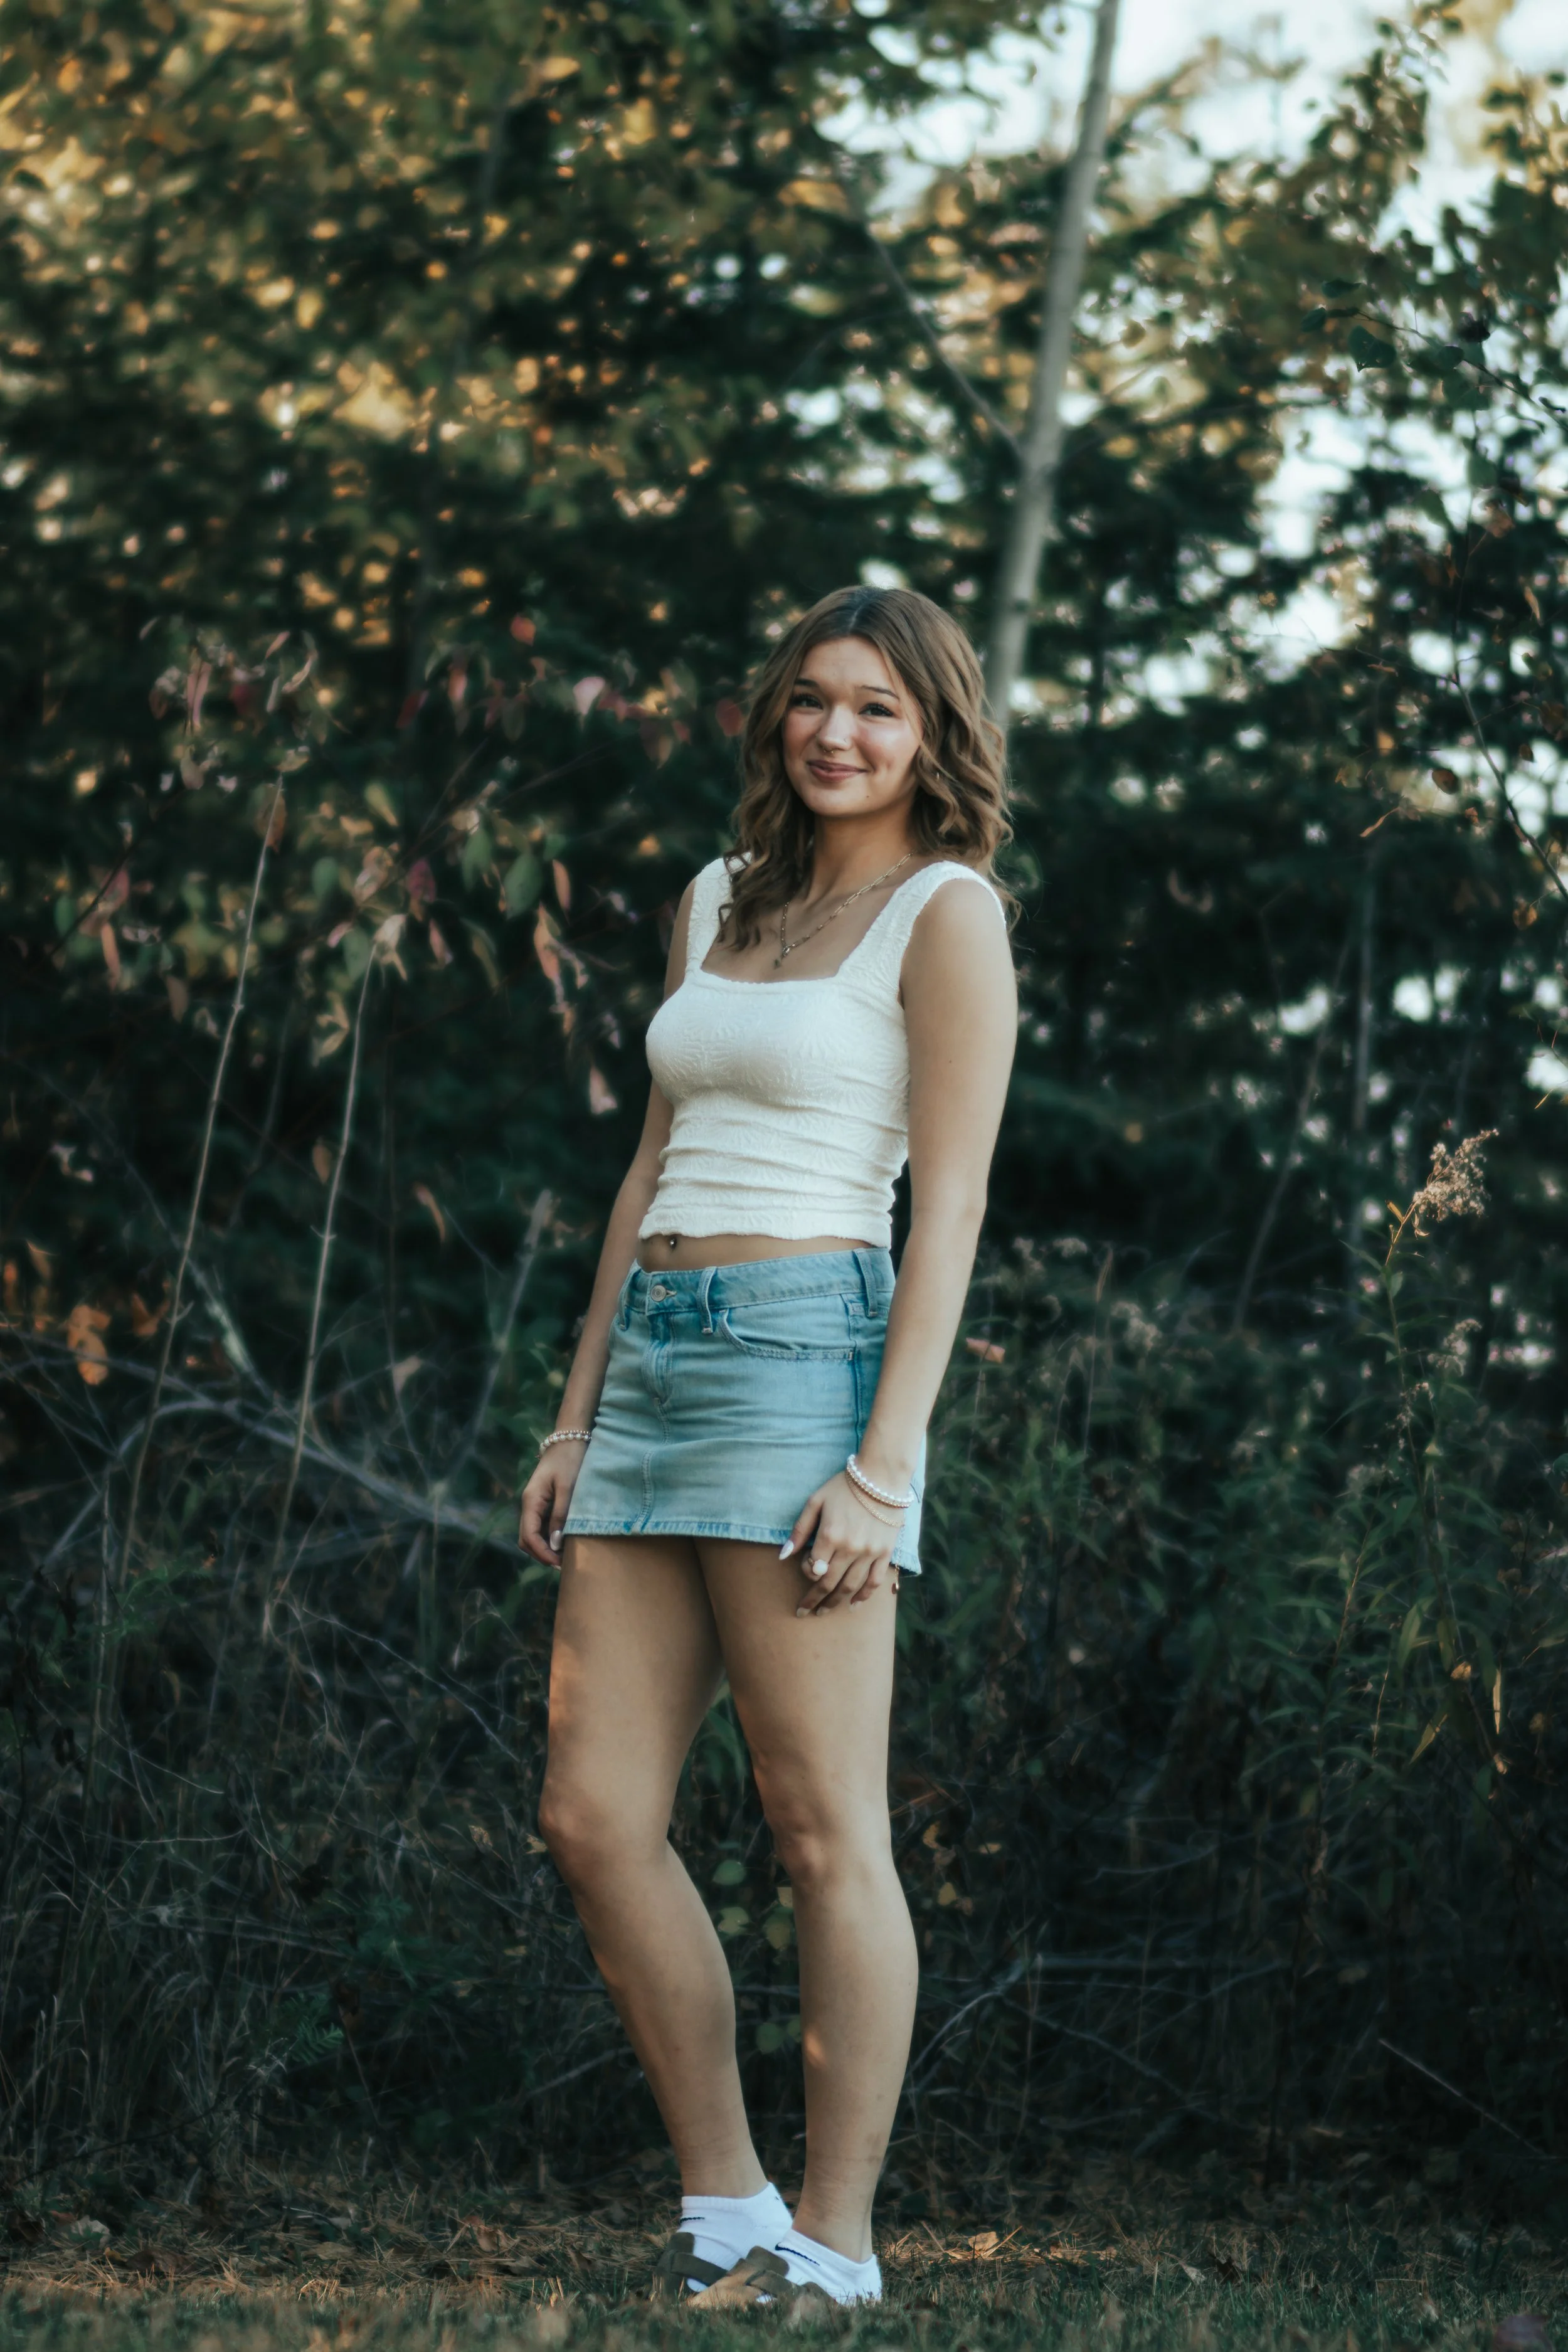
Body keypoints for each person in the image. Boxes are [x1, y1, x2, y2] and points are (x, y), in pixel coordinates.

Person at [517, 584, 1017, 2309]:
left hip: (810, 1358)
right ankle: (726, 2205)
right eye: (811, 699)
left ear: (930, 734)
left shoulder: (945, 914)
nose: (836, 733)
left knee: (820, 1829)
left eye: (877, 707)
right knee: (590, 1811)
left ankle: (837, 2243)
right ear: (773, 718)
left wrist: (886, 1464)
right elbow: (645, 1171)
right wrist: (581, 1407)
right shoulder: (717, 898)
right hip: (654, 1360)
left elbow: (947, 1207)